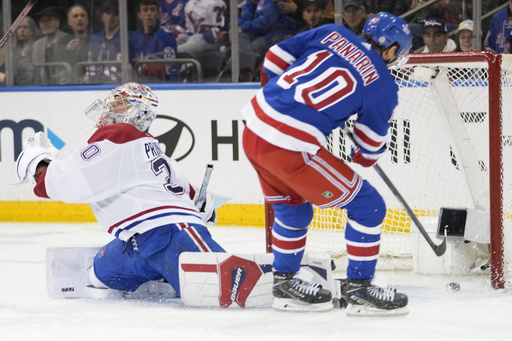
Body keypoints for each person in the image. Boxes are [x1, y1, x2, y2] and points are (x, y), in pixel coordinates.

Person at [242, 12, 411, 314]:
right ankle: (360, 288)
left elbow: (275, 55)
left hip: (254, 124)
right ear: (393, 49)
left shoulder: (333, 32)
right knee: (368, 205)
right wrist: (360, 143)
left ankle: (284, 283)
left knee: (293, 208)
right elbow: (368, 150)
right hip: (289, 145)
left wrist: (276, 94)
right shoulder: (383, 84)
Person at [15, 82, 225, 297]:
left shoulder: (120, 136)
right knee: (99, 276)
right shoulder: (162, 158)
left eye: (118, 103)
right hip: (140, 242)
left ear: (138, 113)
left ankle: (171, 271)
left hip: (169, 233)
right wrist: (204, 207)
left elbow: (68, 180)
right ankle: (166, 273)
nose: (109, 107)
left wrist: (37, 165)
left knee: (224, 286)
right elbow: (197, 198)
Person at [129, 0, 177, 82]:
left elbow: (169, 67)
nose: (149, 13)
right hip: (139, 84)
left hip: (162, 85)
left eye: (152, 10)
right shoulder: (133, 37)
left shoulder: (166, 37)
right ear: (139, 15)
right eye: (145, 10)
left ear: (158, 14)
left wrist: (142, 69)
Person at [85, 1, 122, 83]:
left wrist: (94, 79)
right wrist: (89, 77)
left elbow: (118, 66)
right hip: (97, 83)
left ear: (120, 17)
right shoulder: (96, 38)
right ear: (102, 16)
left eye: (115, 14)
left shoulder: (124, 38)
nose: (111, 17)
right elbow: (91, 62)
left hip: (116, 84)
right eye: (108, 13)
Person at [31, 6, 71, 85]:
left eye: (48, 20)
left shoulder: (67, 39)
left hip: (65, 85)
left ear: (57, 23)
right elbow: (35, 69)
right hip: (43, 87)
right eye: (42, 21)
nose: (45, 23)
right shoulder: (37, 45)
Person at [63, 4, 91, 72]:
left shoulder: (95, 39)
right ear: (69, 22)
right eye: (75, 16)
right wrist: (67, 50)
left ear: (87, 21)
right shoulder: (63, 41)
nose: (80, 18)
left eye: (82, 16)